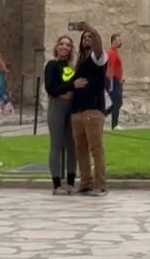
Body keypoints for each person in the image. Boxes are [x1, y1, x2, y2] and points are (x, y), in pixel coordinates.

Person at [70, 22, 110, 196]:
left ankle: (101, 184)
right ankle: (85, 182)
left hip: (93, 109)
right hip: (77, 110)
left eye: (90, 37)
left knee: (96, 149)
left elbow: (99, 46)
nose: (87, 39)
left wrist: (91, 30)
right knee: (81, 150)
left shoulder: (98, 58)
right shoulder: (80, 61)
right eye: (85, 37)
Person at [43, 35, 82, 195]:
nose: (64, 47)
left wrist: (70, 88)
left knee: (72, 145)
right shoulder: (52, 65)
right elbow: (51, 89)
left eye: (68, 45)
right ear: (57, 47)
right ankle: (57, 184)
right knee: (57, 144)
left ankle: (71, 182)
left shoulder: (73, 68)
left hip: (71, 107)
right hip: (57, 107)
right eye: (61, 44)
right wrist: (71, 86)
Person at [106, 33, 125, 130]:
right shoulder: (112, 53)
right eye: (119, 40)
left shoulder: (115, 53)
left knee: (117, 102)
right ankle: (114, 125)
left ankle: (103, 114)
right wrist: (110, 82)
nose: (121, 42)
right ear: (113, 41)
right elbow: (111, 67)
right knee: (117, 101)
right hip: (113, 80)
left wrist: (121, 78)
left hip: (117, 80)